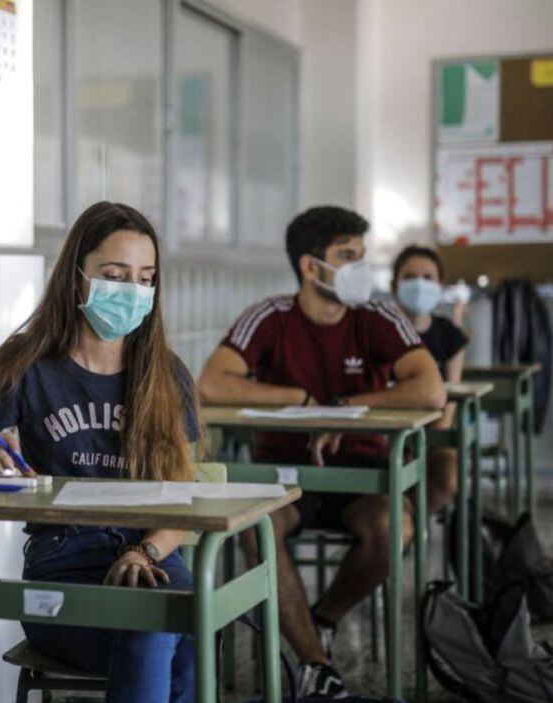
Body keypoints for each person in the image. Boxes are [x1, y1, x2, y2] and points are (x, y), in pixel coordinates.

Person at [0, 201, 204, 703]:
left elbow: (183, 497)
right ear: (77, 275)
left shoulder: (166, 375)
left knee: (163, 631)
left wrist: (142, 550)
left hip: (152, 555)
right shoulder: (28, 362)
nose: (132, 290)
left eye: (146, 278)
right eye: (115, 274)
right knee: (167, 644)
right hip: (62, 562)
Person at [198, 206, 445, 699]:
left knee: (393, 525)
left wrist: (341, 409)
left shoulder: (377, 316)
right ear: (311, 267)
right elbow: (211, 382)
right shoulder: (270, 318)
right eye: (346, 256)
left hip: (364, 468)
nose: (360, 267)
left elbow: (430, 390)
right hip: (285, 476)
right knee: (258, 523)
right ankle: (315, 664)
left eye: (361, 255)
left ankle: (320, 621)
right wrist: (303, 400)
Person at [392, 245, 469, 515]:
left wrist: (427, 440)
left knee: (448, 477)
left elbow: (451, 399)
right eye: (409, 276)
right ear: (394, 285)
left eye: (427, 277)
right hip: (387, 433)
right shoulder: (380, 331)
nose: (419, 284)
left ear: (440, 284)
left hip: (433, 434)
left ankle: (411, 524)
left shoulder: (450, 335)